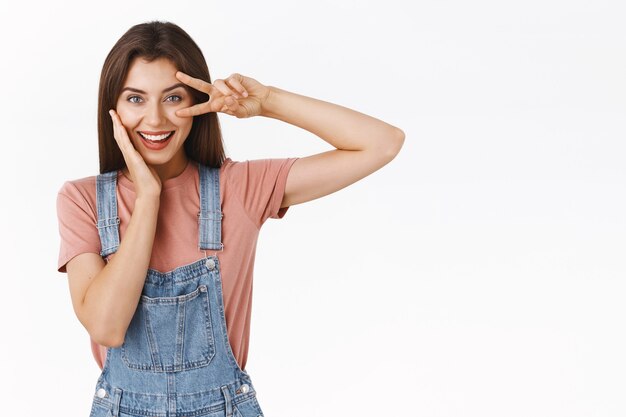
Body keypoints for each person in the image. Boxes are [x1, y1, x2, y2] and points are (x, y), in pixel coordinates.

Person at [56, 20, 404, 417]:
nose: (154, 120)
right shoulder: (82, 200)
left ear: (197, 103)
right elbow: (107, 327)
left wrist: (267, 100)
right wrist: (148, 195)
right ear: (113, 109)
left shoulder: (238, 187)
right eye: (136, 99)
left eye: (173, 98)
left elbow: (382, 143)